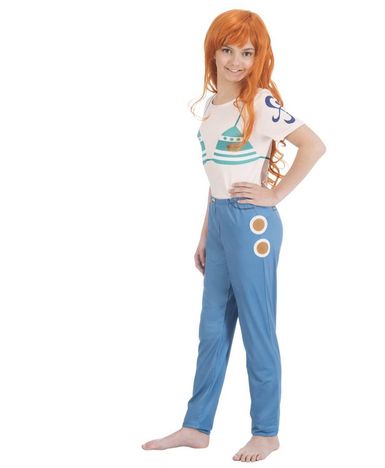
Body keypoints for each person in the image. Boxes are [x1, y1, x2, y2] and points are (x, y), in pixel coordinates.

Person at [142, 8, 326, 462]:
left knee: (257, 326)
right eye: (227, 50)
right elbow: (216, 177)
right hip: (221, 221)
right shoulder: (211, 107)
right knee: (211, 327)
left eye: (247, 52)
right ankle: (196, 426)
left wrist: (275, 194)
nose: (236, 61)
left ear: (258, 56)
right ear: (213, 52)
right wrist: (206, 232)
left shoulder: (260, 102)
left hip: (251, 223)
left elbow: (314, 145)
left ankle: (266, 432)